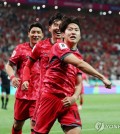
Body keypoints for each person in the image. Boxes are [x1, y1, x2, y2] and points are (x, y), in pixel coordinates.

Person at [23, 16, 111, 134]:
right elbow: (79, 64)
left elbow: (78, 84)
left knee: (75, 131)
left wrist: (74, 98)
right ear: (63, 34)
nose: (73, 32)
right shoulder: (59, 47)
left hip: (68, 100)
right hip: (50, 97)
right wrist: (102, 77)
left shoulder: (78, 55)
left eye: (76, 30)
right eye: (70, 29)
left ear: (80, 36)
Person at [22, 12, 65, 125]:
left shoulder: (68, 47)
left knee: (73, 129)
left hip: (63, 96)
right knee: (35, 127)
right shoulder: (41, 46)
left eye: (62, 25)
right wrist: (26, 79)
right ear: (50, 28)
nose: (58, 27)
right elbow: (28, 65)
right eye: (56, 24)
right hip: (43, 96)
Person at [5, 22, 44, 134]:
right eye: (33, 32)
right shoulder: (20, 48)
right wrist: (12, 77)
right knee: (17, 125)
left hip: (38, 95)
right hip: (22, 94)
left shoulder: (47, 50)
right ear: (28, 34)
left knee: (35, 125)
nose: (35, 34)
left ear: (42, 35)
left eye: (38, 32)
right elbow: (9, 65)